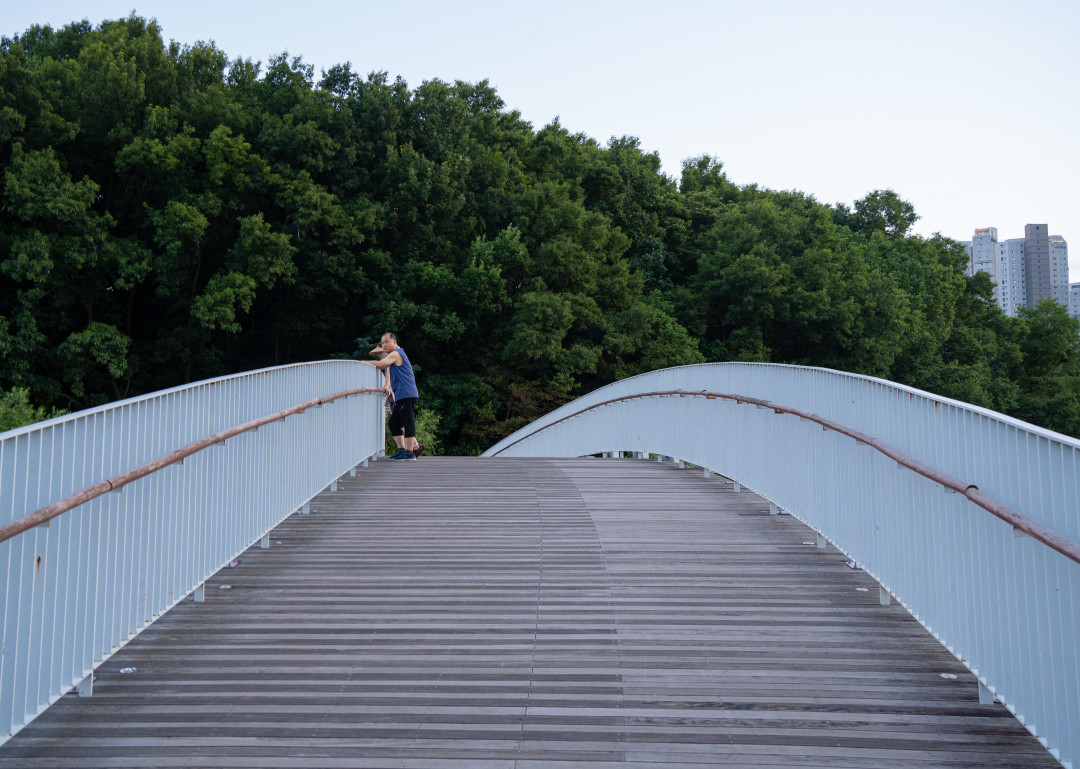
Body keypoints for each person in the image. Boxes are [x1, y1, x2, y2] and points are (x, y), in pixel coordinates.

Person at [363, 332, 422, 460]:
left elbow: (381, 364)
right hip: (401, 395)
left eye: (386, 342)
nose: (384, 345)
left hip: (407, 393)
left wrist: (363, 363)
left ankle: (410, 453)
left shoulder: (396, 353)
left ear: (394, 342)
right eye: (382, 343)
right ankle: (402, 450)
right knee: (393, 423)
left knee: (407, 422)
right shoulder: (393, 356)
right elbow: (384, 366)